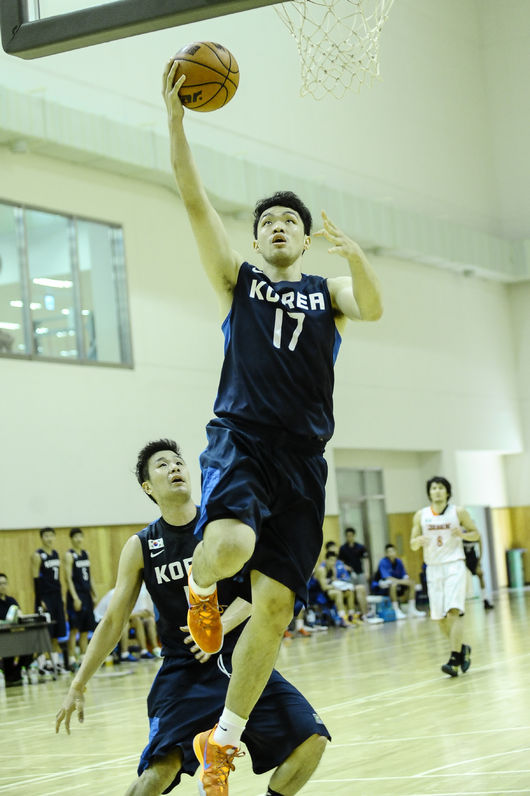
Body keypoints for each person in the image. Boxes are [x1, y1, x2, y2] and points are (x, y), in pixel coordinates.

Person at [162, 61, 382, 788]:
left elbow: (374, 307)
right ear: (256, 242)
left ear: (305, 239)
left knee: (276, 605)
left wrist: (360, 260)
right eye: (266, 223)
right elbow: (194, 201)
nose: (277, 226)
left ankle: (222, 742)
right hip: (243, 439)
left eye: (289, 220)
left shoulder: (328, 292)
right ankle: (200, 590)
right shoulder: (241, 283)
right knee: (230, 545)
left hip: (305, 460)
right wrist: (176, 125)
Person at [56, 440, 330, 796]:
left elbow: (258, 595)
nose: (174, 467)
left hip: (239, 661)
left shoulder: (223, 529)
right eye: (162, 465)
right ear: (148, 487)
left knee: (312, 740)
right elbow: (112, 621)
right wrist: (78, 683)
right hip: (183, 671)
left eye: (178, 462)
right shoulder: (142, 546)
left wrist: (218, 627)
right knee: (158, 773)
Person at [410, 476, 481, 676]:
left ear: (447, 492)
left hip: (454, 565)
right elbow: (412, 544)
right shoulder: (421, 515)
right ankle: (462, 648)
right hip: (433, 568)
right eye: (434, 488)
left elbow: (476, 534)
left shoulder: (458, 512)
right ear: (429, 492)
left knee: (453, 612)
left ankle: (454, 659)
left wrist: (463, 534)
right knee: (439, 618)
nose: (437, 491)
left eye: (441, 488)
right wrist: (418, 541)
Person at [31, 526, 68, 672]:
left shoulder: (56, 554)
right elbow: (35, 579)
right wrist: (39, 599)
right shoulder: (38, 555)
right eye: (46, 536)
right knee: (44, 633)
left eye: (51, 535)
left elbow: (58, 578)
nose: (49, 538)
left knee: (56, 632)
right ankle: (41, 664)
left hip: (56, 596)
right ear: (41, 538)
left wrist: (62, 596)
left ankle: (55, 663)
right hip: (44, 597)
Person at [65, 527, 97, 672]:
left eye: (80, 536)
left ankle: (83, 659)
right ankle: (71, 659)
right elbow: (68, 578)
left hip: (86, 595)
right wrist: (75, 597)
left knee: (85, 630)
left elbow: (90, 576)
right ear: (71, 539)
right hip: (76, 595)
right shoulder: (69, 555)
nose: (78, 539)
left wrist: (94, 594)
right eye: (75, 537)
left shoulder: (86, 554)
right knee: (74, 629)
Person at [0, 572, 35, 686]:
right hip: (2, 638)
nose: (3, 586)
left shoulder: (11, 600)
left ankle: (17, 671)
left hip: (14, 635)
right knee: (8, 648)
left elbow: (20, 614)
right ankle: (10, 674)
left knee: (30, 644)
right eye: (0, 584)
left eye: (4, 583)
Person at [372, 544, 425, 619]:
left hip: (397, 582)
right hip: (381, 585)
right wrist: (401, 581)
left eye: (393, 551)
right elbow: (388, 578)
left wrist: (405, 581)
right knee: (393, 584)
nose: (391, 553)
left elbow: (405, 575)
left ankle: (412, 609)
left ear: (396, 552)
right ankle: (396, 610)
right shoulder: (383, 562)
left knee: (412, 583)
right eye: (389, 551)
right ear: (386, 553)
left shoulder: (399, 561)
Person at [315, 551, 356, 627]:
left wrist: (340, 585)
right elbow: (324, 587)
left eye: (334, 560)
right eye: (331, 560)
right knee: (338, 593)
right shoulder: (322, 570)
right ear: (326, 560)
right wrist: (337, 587)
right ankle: (343, 619)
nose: (333, 563)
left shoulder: (333, 569)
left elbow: (334, 581)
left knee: (349, 592)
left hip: (330, 591)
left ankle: (351, 617)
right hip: (318, 594)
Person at [129, 582, 161, 659]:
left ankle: (156, 648)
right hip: (130, 619)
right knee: (137, 620)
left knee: (150, 620)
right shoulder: (126, 590)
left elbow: (148, 612)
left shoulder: (145, 588)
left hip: (140, 616)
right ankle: (144, 651)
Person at [463, 536, 494, 610]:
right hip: (463, 559)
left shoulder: (476, 535)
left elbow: (481, 549)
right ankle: (459, 605)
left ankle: (485, 599)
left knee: (480, 574)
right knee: (460, 580)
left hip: (473, 558)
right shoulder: (462, 535)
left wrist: (479, 563)